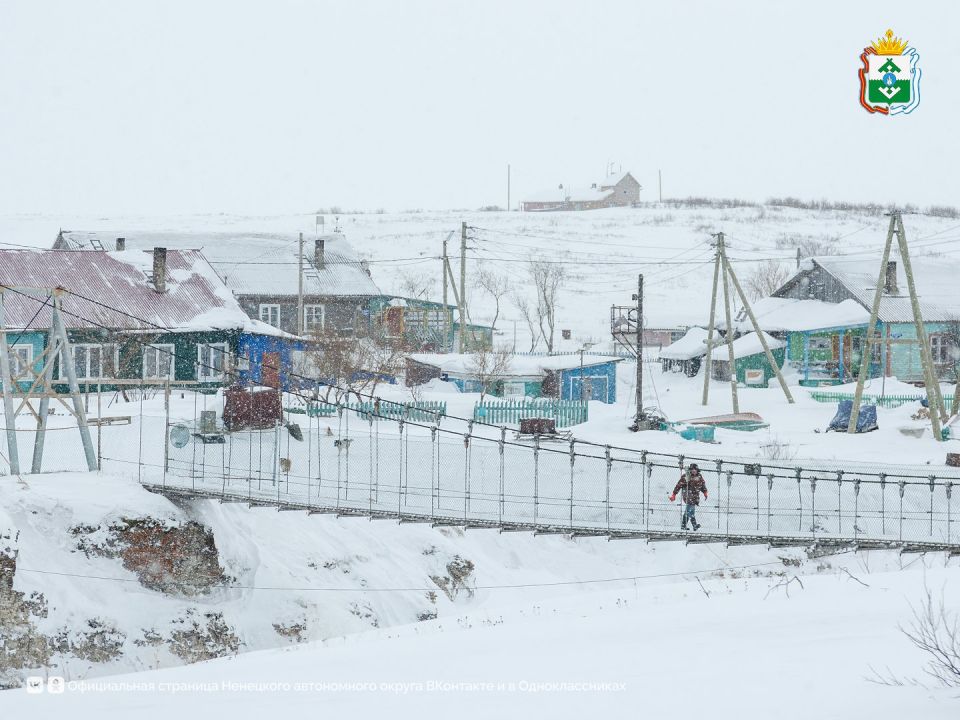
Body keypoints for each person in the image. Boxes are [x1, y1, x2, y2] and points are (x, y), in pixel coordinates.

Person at [669, 463, 708, 531]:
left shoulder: (699, 476)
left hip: (695, 496)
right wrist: (674, 494)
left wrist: (705, 492)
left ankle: (686, 525)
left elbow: (702, 485)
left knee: (690, 511)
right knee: (690, 510)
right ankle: (693, 525)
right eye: (692, 469)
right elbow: (679, 485)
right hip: (688, 495)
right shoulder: (687, 476)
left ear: (697, 470)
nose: (693, 471)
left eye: (695, 469)